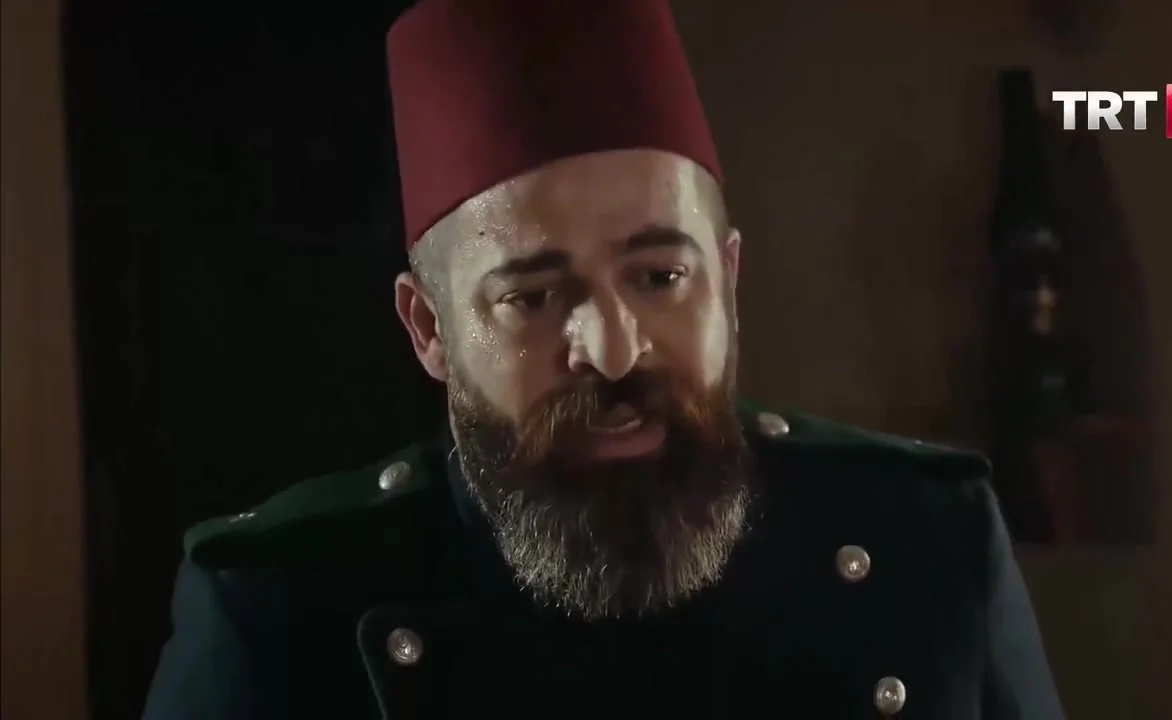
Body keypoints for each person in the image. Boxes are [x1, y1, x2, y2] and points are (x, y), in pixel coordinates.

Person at [142, 0, 1064, 717]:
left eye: (661, 277)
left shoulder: (929, 544)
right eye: (534, 297)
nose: (616, 352)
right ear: (428, 329)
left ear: (727, 280)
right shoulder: (273, 610)